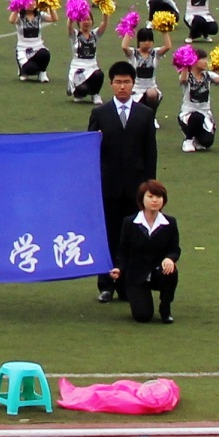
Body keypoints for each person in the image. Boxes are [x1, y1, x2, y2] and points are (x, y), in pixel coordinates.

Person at [88, 60, 158, 303]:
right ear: (111, 84)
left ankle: (129, 284)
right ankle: (106, 285)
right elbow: (90, 151)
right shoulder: (100, 114)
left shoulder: (145, 114)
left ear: (133, 84)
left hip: (136, 188)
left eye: (126, 82)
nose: (122, 87)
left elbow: (150, 152)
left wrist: (150, 188)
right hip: (107, 187)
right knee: (108, 235)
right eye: (118, 82)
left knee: (133, 237)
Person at [110, 179, 180, 324]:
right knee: (143, 316)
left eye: (159, 197)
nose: (155, 200)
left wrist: (170, 258)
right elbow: (123, 250)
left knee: (171, 271)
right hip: (136, 275)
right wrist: (119, 268)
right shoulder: (130, 223)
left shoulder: (170, 223)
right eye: (150, 196)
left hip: (159, 272)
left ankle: (165, 306)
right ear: (142, 199)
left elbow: (174, 249)